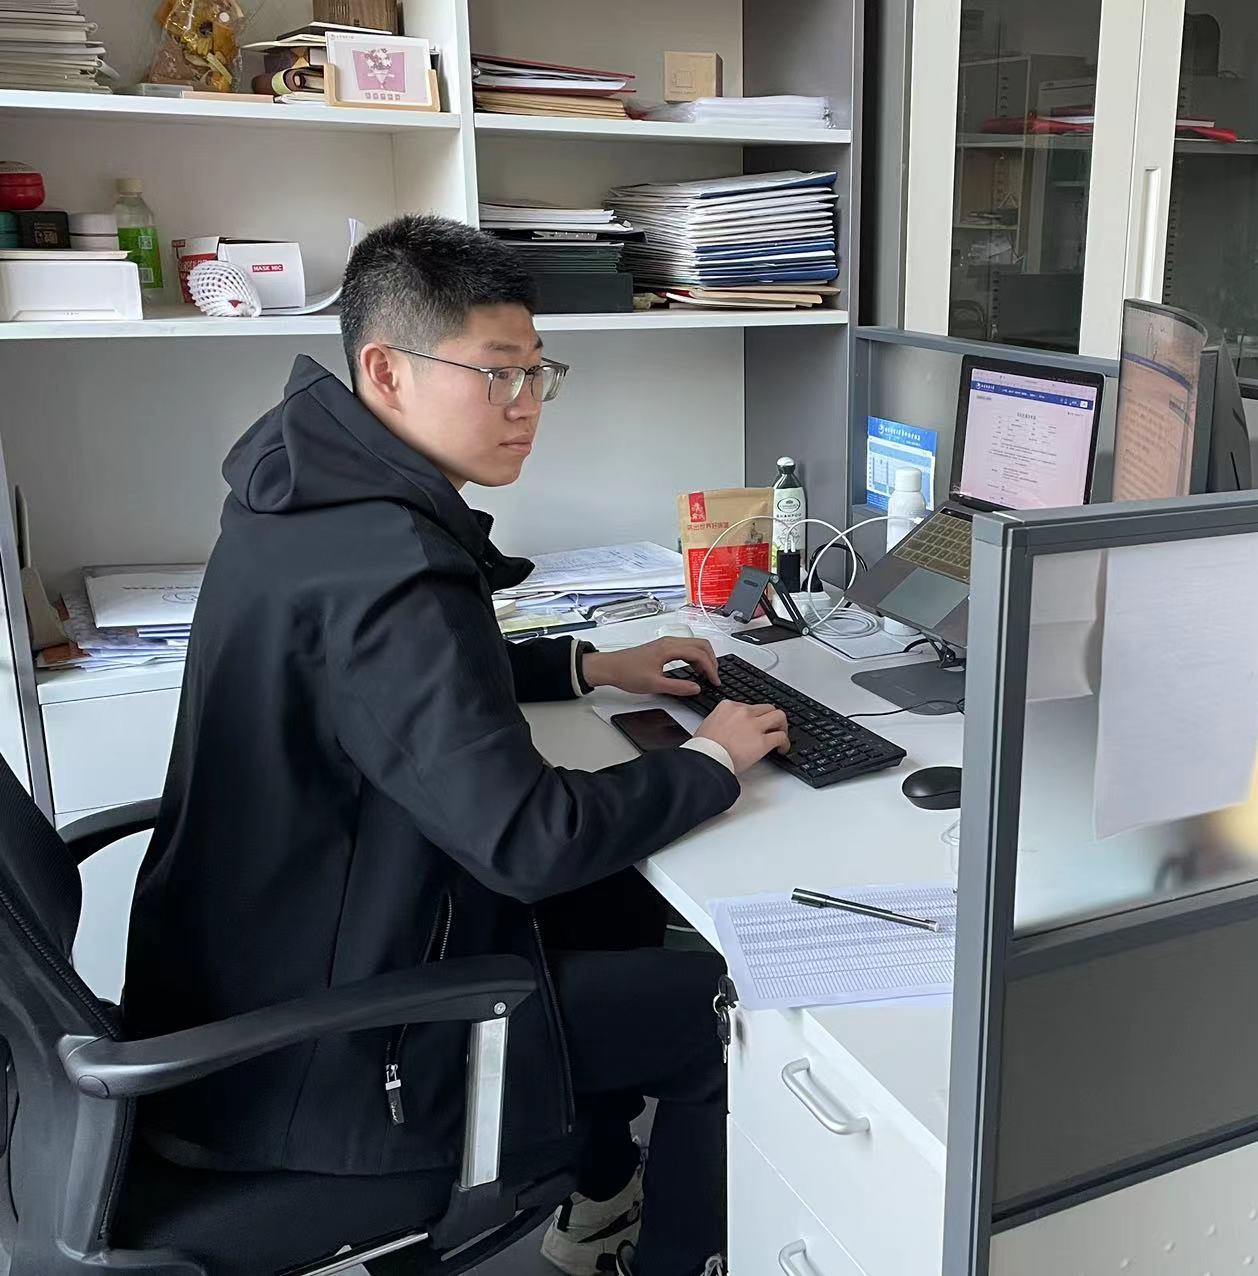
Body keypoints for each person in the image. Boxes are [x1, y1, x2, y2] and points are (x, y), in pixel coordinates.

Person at [122, 215, 789, 1276]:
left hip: (263, 966)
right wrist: (709, 759)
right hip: (338, 1057)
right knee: (721, 1009)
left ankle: (595, 1204)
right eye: (496, 374)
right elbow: (528, 840)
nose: (526, 406)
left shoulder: (309, 495)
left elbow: (389, 685)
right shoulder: (390, 559)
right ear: (385, 370)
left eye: (538, 373)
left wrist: (589, 666)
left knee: (622, 903)